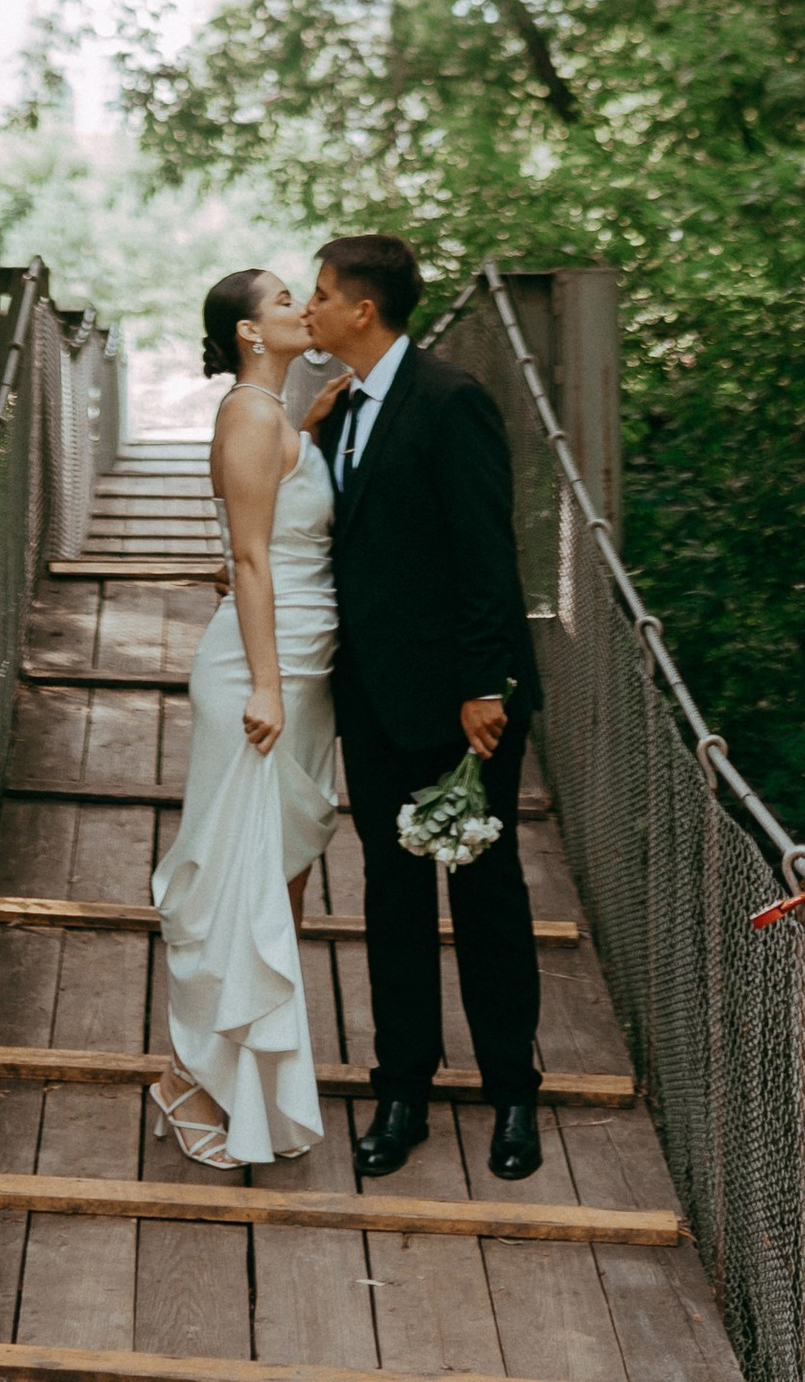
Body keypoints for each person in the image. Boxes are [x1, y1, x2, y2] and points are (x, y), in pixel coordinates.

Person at [305, 229, 545, 1183]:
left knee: (487, 898)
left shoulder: (452, 399)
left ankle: (512, 1094)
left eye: (322, 295)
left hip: (461, 708)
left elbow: (486, 552)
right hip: (370, 699)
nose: (311, 308)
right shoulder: (337, 411)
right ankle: (401, 1090)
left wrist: (483, 688)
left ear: (363, 309)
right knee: (392, 896)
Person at [148, 268, 347, 1165]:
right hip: (265, 670)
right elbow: (252, 559)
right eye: (284, 301)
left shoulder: (276, 418)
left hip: (306, 664)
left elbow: (284, 502)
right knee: (232, 875)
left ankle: (249, 1088)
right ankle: (186, 1079)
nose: (303, 308)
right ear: (249, 333)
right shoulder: (251, 415)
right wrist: (264, 684)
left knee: (278, 872)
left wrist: (313, 430)